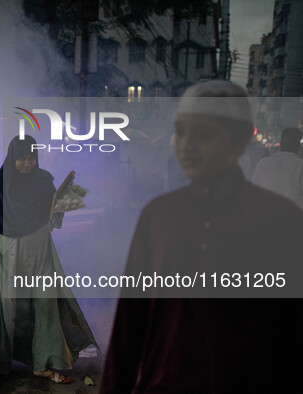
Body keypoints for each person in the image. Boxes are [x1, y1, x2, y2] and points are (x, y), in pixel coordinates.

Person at [99, 81, 303, 393]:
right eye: (181, 132)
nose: (185, 144)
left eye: (203, 133)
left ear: (238, 141)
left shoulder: (283, 220)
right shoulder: (157, 215)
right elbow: (130, 322)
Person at [0, 134, 98, 384]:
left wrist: (66, 201)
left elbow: (54, 218)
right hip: (12, 257)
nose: (27, 163)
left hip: (42, 251)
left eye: (31, 158)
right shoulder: (0, 185)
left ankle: (45, 364)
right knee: (11, 309)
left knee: (46, 306)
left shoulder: (44, 181)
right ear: (12, 158)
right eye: (21, 158)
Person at [251, 127, 303, 209]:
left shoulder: (263, 163)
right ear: (298, 145)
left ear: (281, 144)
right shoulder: (300, 166)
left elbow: (253, 192)